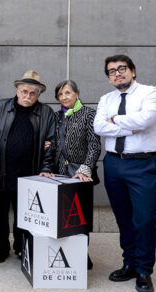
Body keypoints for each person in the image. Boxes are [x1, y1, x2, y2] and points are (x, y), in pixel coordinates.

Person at [93, 55, 156, 292]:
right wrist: (129, 124)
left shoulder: (150, 93)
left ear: (132, 71)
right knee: (124, 218)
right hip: (114, 164)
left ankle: (144, 270)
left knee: (143, 219)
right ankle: (130, 263)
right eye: (111, 71)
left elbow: (145, 120)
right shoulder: (106, 99)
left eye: (121, 68)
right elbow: (98, 127)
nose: (117, 73)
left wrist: (115, 120)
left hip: (143, 165)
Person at [0, 70, 55, 263]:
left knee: (23, 215)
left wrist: (47, 167)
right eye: (24, 91)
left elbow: (51, 142)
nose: (28, 96)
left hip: (29, 174)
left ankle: (20, 247)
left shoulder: (46, 112)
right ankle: (1, 247)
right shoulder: (1, 107)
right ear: (17, 91)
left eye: (33, 93)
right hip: (0, 172)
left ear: (39, 95)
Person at [52, 80, 101, 270]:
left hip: (80, 174)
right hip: (59, 172)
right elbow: (53, 142)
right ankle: (65, 252)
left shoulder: (89, 114)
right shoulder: (57, 117)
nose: (64, 97)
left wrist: (86, 167)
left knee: (79, 216)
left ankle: (82, 253)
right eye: (60, 95)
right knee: (61, 215)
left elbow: (94, 144)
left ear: (77, 94)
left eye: (68, 93)